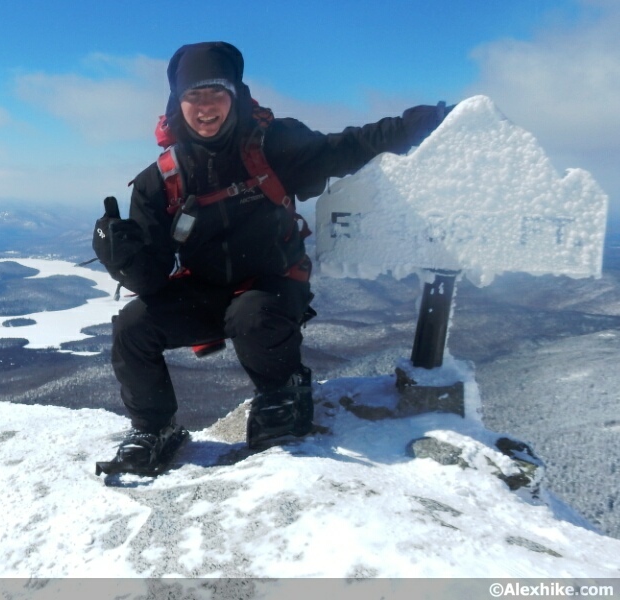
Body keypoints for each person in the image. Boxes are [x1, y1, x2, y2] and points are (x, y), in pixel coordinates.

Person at [93, 41, 452, 472]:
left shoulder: (272, 145)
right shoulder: (160, 180)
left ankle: (284, 389)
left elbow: (348, 146)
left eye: (216, 94)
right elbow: (150, 278)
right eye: (194, 96)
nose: (205, 107)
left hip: (272, 286)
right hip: (205, 290)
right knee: (133, 326)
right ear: (177, 103)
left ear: (236, 95)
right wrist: (120, 256)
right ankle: (154, 428)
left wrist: (423, 123)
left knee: (252, 315)